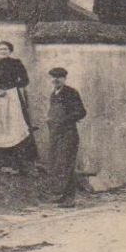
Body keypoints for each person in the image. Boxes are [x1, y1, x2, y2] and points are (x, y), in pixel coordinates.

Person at [0, 40, 35, 173]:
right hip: (0, 99)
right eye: (1, 49)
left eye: (6, 49)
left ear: (10, 51)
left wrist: (15, 87)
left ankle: (18, 163)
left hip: (13, 97)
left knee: (15, 126)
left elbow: (25, 80)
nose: (3, 51)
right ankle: (3, 163)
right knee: (1, 126)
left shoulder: (16, 63)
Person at [45, 67, 87, 207]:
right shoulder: (54, 94)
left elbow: (81, 112)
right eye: (53, 77)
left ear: (64, 78)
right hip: (55, 133)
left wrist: (64, 120)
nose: (55, 79)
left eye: (59, 77)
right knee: (57, 164)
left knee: (66, 164)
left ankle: (70, 198)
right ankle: (60, 195)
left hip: (68, 133)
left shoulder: (71, 92)